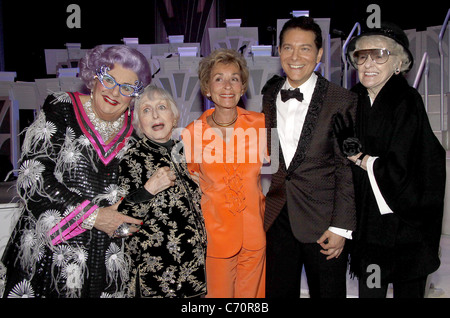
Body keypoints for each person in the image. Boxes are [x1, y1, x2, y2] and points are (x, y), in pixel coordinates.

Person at [1, 45, 151, 298]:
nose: (115, 92)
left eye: (127, 88)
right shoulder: (61, 108)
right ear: (94, 77)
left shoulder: (138, 134)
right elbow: (33, 175)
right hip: (49, 258)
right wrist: (93, 217)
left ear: (135, 96)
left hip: (107, 263)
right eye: (109, 80)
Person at [337, 22, 446, 298]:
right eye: (362, 56)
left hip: (407, 229)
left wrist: (363, 160)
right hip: (369, 229)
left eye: (380, 55)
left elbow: (404, 168)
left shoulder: (406, 100)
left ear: (399, 64)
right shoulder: (355, 100)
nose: (368, 64)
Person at [262, 16, 357, 298]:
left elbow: (347, 168)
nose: (295, 56)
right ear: (279, 51)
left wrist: (341, 227)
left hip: (325, 223)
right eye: (288, 48)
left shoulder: (342, 100)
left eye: (305, 48)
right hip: (278, 216)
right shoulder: (269, 94)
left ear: (319, 53)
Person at [182, 48, 267, 298]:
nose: (227, 85)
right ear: (207, 89)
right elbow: (190, 181)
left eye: (235, 78)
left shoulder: (261, 123)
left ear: (243, 88)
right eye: (218, 78)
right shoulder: (192, 133)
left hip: (254, 235)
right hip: (215, 236)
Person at [116, 85, 207, 298]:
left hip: (195, 271)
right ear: (138, 123)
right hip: (156, 277)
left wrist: (206, 190)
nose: (155, 115)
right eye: (146, 110)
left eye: (162, 107)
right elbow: (122, 222)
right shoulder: (131, 159)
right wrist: (148, 190)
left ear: (174, 117)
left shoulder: (186, 152)